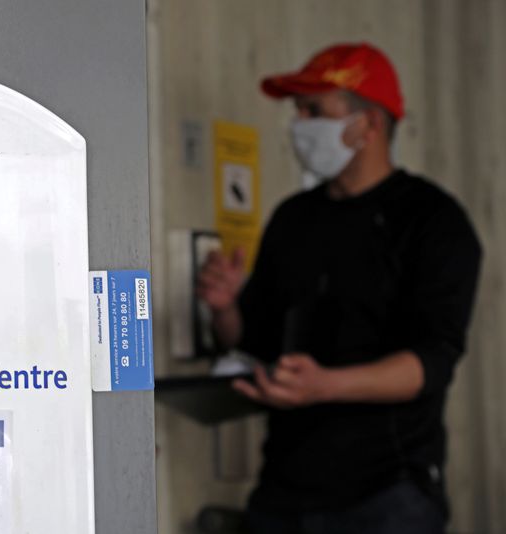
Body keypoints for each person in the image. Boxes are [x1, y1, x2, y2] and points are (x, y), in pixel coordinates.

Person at [197, 43, 482, 534]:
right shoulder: (293, 219)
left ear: (368, 126)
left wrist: (325, 385)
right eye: (297, 111)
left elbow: (432, 361)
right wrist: (225, 309)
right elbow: (254, 341)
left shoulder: (433, 221)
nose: (298, 125)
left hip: (387, 496)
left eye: (313, 111)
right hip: (283, 493)